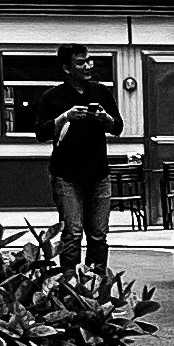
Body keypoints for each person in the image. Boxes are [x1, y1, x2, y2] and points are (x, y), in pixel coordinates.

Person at [48, 49, 122, 268]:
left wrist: (105, 118)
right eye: (81, 63)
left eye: (90, 61)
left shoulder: (101, 92)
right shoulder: (53, 96)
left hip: (99, 173)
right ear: (66, 68)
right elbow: (41, 132)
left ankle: (96, 288)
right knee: (72, 233)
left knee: (99, 235)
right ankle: (69, 287)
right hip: (66, 174)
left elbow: (117, 127)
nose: (88, 66)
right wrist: (65, 117)